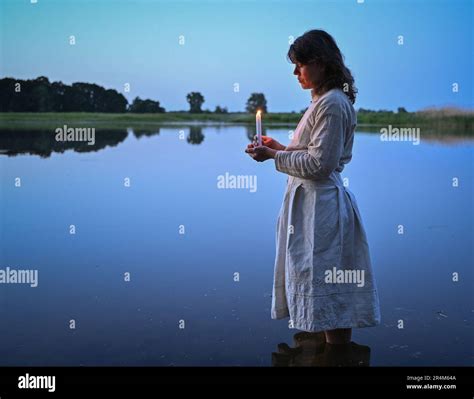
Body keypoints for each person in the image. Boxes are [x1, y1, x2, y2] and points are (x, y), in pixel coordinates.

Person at [245, 29, 381, 345]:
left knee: (330, 298)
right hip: (310, 209)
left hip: (322, 210)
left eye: (300, 65)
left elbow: (320, 166)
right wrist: (281, 147)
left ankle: (337, 356)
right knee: (315, 286)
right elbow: (312, 153)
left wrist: (273, 156)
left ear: (319, 63)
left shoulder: (332, 103)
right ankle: (323, 355)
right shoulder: (322, 101)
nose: (295, 73)